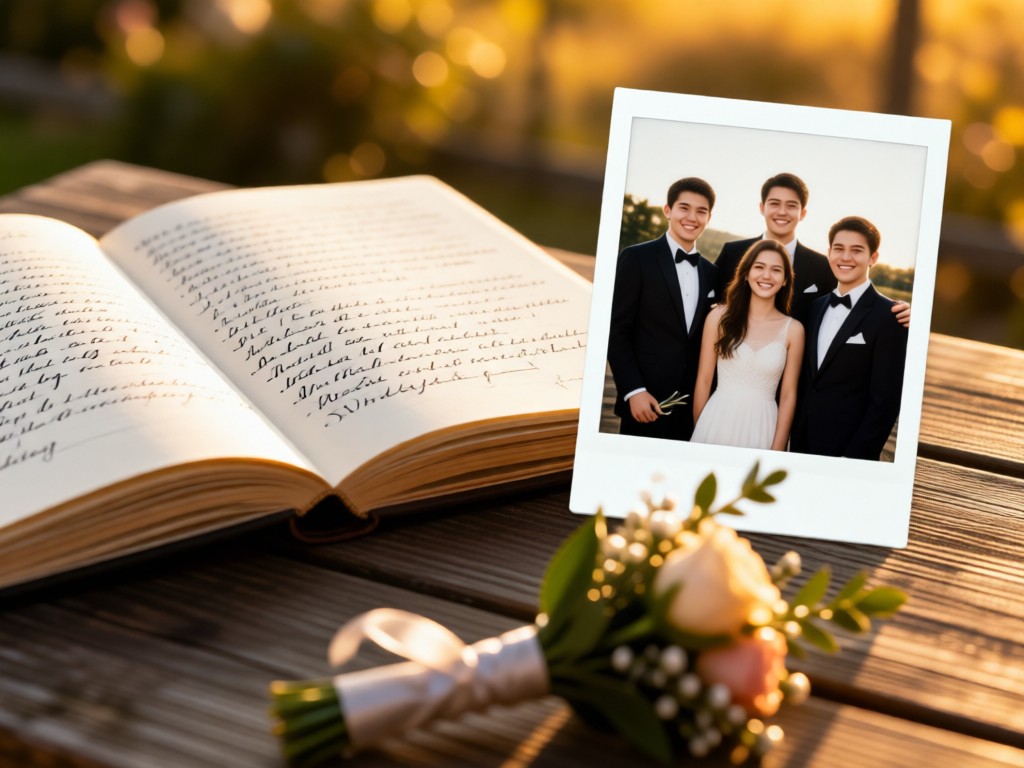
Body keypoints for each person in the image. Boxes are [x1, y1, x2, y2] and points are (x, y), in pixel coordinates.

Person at [716, 173, 910, 327]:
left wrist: (898, 308)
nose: (782, 212)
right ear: (762, 208)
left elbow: (853, 297)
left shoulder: (822, 265)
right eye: (774, 204)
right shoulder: (732, 253)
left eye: (791, 206)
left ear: (802, 213)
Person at [608, 177, 720, 440]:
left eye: (701, 211)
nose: (692, 217)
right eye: (684, 207)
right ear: (667, 210)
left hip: (693, 410)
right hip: (644, 403)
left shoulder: (712, 273)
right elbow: (616, 330)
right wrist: (634, 391)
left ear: (709, 217)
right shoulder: (637, 258)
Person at [790, 216, 908, 460]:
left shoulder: (890, 317)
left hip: (847, 451)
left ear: (873, 258)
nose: (845, 258)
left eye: (857, 251)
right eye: (839, 249)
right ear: (829, 252)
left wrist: (854, 459)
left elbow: (884, 404)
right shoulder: (815, 307)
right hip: (800, 443)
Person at [691, 240, 804, 450]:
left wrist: (778, 447)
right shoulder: (718, 317)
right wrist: (702, 427)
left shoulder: (794, 330)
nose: (767, 276)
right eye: (759, 267)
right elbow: (704, 379)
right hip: (716, 419)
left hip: (764, 426)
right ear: (745, 274)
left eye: (776, 270)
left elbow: (788, 395)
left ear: (786, 280)